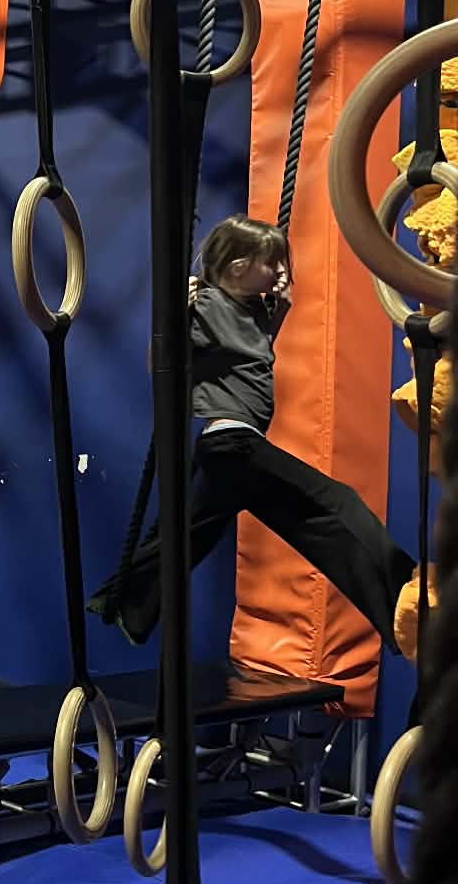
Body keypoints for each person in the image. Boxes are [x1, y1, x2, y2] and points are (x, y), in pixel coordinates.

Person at [90, 213, 415, 648]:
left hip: (230, 451)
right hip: (232, 445)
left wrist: (282, 303)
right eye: (272, 262)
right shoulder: (205, 305)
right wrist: (172, 316)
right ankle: (406, 598)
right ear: (240, 267)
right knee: (336, 505)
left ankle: (125, 606)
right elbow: (159, 366)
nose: (281, 271)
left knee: (184, 537)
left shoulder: (252, 308)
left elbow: (256, 353)